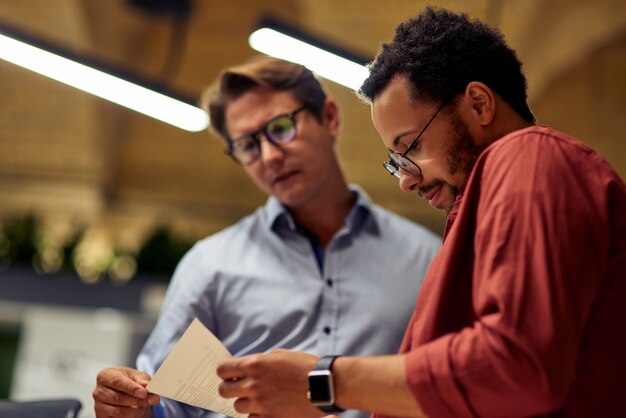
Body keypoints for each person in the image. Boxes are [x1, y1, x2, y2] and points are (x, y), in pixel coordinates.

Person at [214, 7, 626, 418]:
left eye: (411, 148)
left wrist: (323, 380)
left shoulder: (530, 157)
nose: (405, 181)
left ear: (479, 104)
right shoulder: (485, 199)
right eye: (396, 161)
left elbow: (517, 366)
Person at [92, 56, 441, 418]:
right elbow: (164, 403)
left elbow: (452, 388)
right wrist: (128, 405)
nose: (270, 155)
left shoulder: (427, 259)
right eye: (248, 145)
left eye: (281, 127)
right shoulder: (209, 264)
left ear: (330, 118)